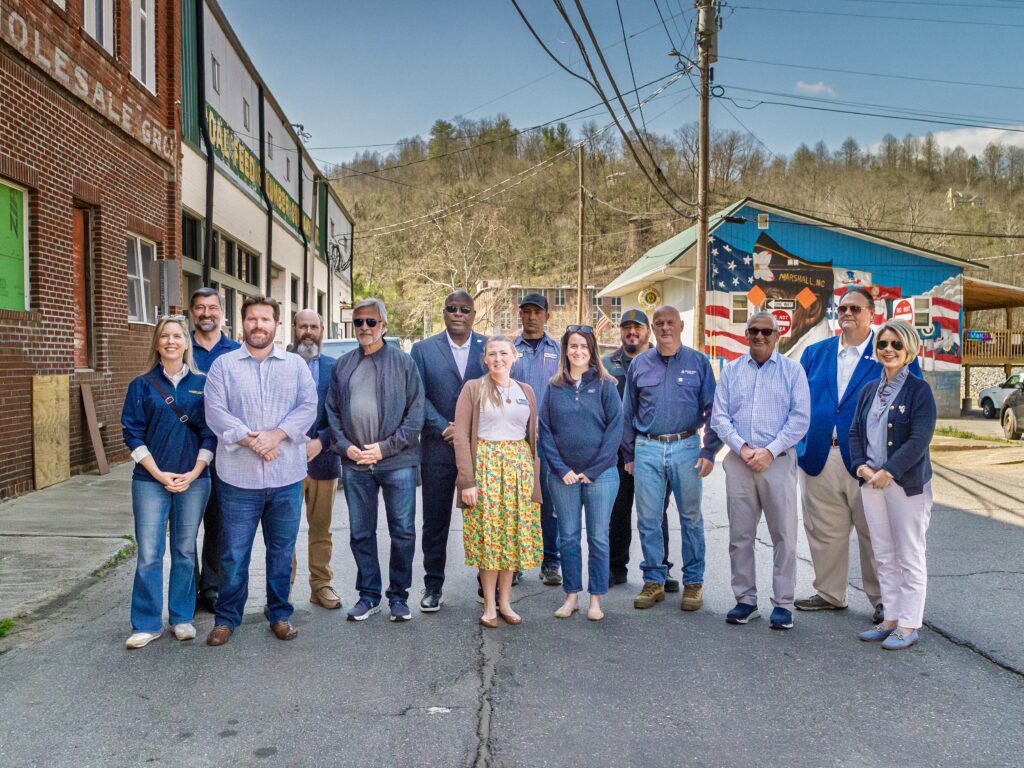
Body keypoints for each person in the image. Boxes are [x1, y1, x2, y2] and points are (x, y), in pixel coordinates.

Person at [796, 287, 922, 624]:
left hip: (870, 461)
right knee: (824, 530)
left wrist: (895, 462)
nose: (847, 313)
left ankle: (884, 600)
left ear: (871, 313)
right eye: (842, 308)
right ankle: (829, 592)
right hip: (820, 455)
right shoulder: (815, 353)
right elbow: (797, 401)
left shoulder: (889, 349)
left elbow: (913, 402)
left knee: (875, 533)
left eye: (855, 308)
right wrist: (799, 446)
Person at [203, 296, 318, 646]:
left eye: (265, 319)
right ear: (242, 323)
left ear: (276, 325)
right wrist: (252, 440)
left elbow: (308, 406)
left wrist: (276, 435)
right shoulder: (223, 366)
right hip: (238, 480)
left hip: (286, 478)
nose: (258, 325)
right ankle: (226, 618)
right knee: (233, 554)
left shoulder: (295, 366)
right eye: (252, 319)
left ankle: (279, 614)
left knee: (281, 551)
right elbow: (215, 412)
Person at [326, 298, 424, 623]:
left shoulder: (404, 363)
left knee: (403, 532)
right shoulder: (343, 365)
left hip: (397, 462)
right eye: (358, 322)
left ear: (384, 325)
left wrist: (384, 448)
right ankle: (369, 596)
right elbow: (332, 412)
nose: (364, 327)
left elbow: (415, 414)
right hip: (355, 463)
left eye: (371, 322)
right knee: (360, 532)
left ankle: (399, 596)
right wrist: (346, 447)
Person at [710, 313, 810, 630]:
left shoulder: (792, 371)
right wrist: (742, 448)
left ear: (777, 335)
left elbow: (800, 419)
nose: (760, 336)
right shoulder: (732, 371)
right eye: (754, 330)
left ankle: (783, 604)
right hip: (740, 462)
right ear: (746, 334)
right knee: (740, 536)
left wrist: (769, 451)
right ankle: (745, 600)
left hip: (777, 462)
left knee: (784, 536)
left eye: (767, 331)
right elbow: (719, 417)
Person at [120, 317, 215, 649]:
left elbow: (211, 433)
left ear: (187, 342)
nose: (171, 341)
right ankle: (146, 623)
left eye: (177, 336)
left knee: (185, 550)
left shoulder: (203, 384)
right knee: (149, 552)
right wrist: (159, 473)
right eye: (164, 336)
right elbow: (132, 433)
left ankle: (182, 618)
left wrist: (195, 471)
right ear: (157, 343)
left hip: (194, 480)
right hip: (150, 481)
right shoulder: (141, 385)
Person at [621, 305, 720, 612]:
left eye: (670, 322)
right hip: (647, 448)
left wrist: (709, 450)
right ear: (653, 328)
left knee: (691, 518)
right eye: (659, 323)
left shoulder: (698, 362)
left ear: (680, 326)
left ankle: (694, 583)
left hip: (686, 446)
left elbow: (713, 409)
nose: (665, 328)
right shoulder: (640, 364)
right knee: (648, 519)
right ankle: (654, 581)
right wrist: (629, 453)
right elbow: (628, 411)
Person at [849, 320, 936, 650]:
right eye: (883, 344)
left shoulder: (919, 391)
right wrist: (860, 465)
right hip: (871, 483)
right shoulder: (869, 390)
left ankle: (909, 624)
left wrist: (889, 471)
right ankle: (890, 619)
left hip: (905, 484)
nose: (889, 349)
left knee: (909, 555)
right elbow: (855, 432)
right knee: (883, 554)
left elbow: (919, 439)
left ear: (909, 350)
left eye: (896, 344)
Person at [455, 336, 543, 628]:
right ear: (485, 359)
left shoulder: (526, 391)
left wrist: (533, 478)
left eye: (504, 353)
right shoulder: (473, 388)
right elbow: (461, 436)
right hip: (486, 469)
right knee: (489, 538)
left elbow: (532, 436)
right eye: (492, 354)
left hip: (519, 471)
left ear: (514, 357)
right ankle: (489, 605)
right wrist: (467, 481)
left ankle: (505, 602)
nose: (498, 359)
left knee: (511, 538)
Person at [411, 290, 487, 612]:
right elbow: (417, 395)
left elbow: (497, 390)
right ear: (443, 312)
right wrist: (446, 427)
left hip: (479, 448)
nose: (458, 313)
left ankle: (487, 584)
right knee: (435, 521)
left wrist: (469, 431)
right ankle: (433, 585)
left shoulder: (488, 347)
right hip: (438, 447)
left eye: (464, 309)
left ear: (473, 314)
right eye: (452, 308)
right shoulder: (423, 350)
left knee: (483, 519)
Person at [540, 326, 622, 621]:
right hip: (563, 477)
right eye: (573, 346)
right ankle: (572, 596)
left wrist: (594, 470)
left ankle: (595, 599)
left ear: (592, 351)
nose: (578, 351)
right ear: (565, 350)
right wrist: (561, 469)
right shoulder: (554, 387)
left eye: (584, 346)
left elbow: (615, 429)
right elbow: (545, 430)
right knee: (569, 538)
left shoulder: (605, 385)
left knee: (598, 537)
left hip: (601, 476)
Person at [602, 309, 678, 591]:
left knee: (656, 513)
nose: (631, 332)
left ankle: (661, 568)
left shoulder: (662, 361)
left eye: (637, 327)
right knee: (617, 512)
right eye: (626, 327)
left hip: (653, 449)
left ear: (648, 331)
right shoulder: (606, 364)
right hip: (616, 453)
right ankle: (615, 568)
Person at [188, 287, 240, 613]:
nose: (206, 314)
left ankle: (211, 588)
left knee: (219, 524)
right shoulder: (181, 347)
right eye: (199, 308)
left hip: (224, 450)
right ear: (191, 313)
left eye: (212, 308)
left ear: (222, 312)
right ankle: (186, 590)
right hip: (185, 448)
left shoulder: (235, 352)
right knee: (186, 525)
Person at [289, 310, 342, 610]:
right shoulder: (279, 364)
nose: (308, 332)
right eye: (302, 326)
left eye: (313, 327)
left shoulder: (335, 368)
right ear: (294, 328)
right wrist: (295, 441)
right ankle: (283, 589)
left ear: (322, 329)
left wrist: (321, 441)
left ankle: (321, 585)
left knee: (321, 528)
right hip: (286, 461)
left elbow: (342, 413)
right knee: (284, 530)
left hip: (324, 459)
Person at [511, 292, 561, 586]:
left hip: (548, 439)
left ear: (546, 316)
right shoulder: (509, 349)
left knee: (549, 503)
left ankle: (551, 561)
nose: (531, 317)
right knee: (516, 502)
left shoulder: (558, 350)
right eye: (526, 311)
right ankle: (514, 562)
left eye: (537, 312)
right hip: (515, 439)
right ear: (520, 314)